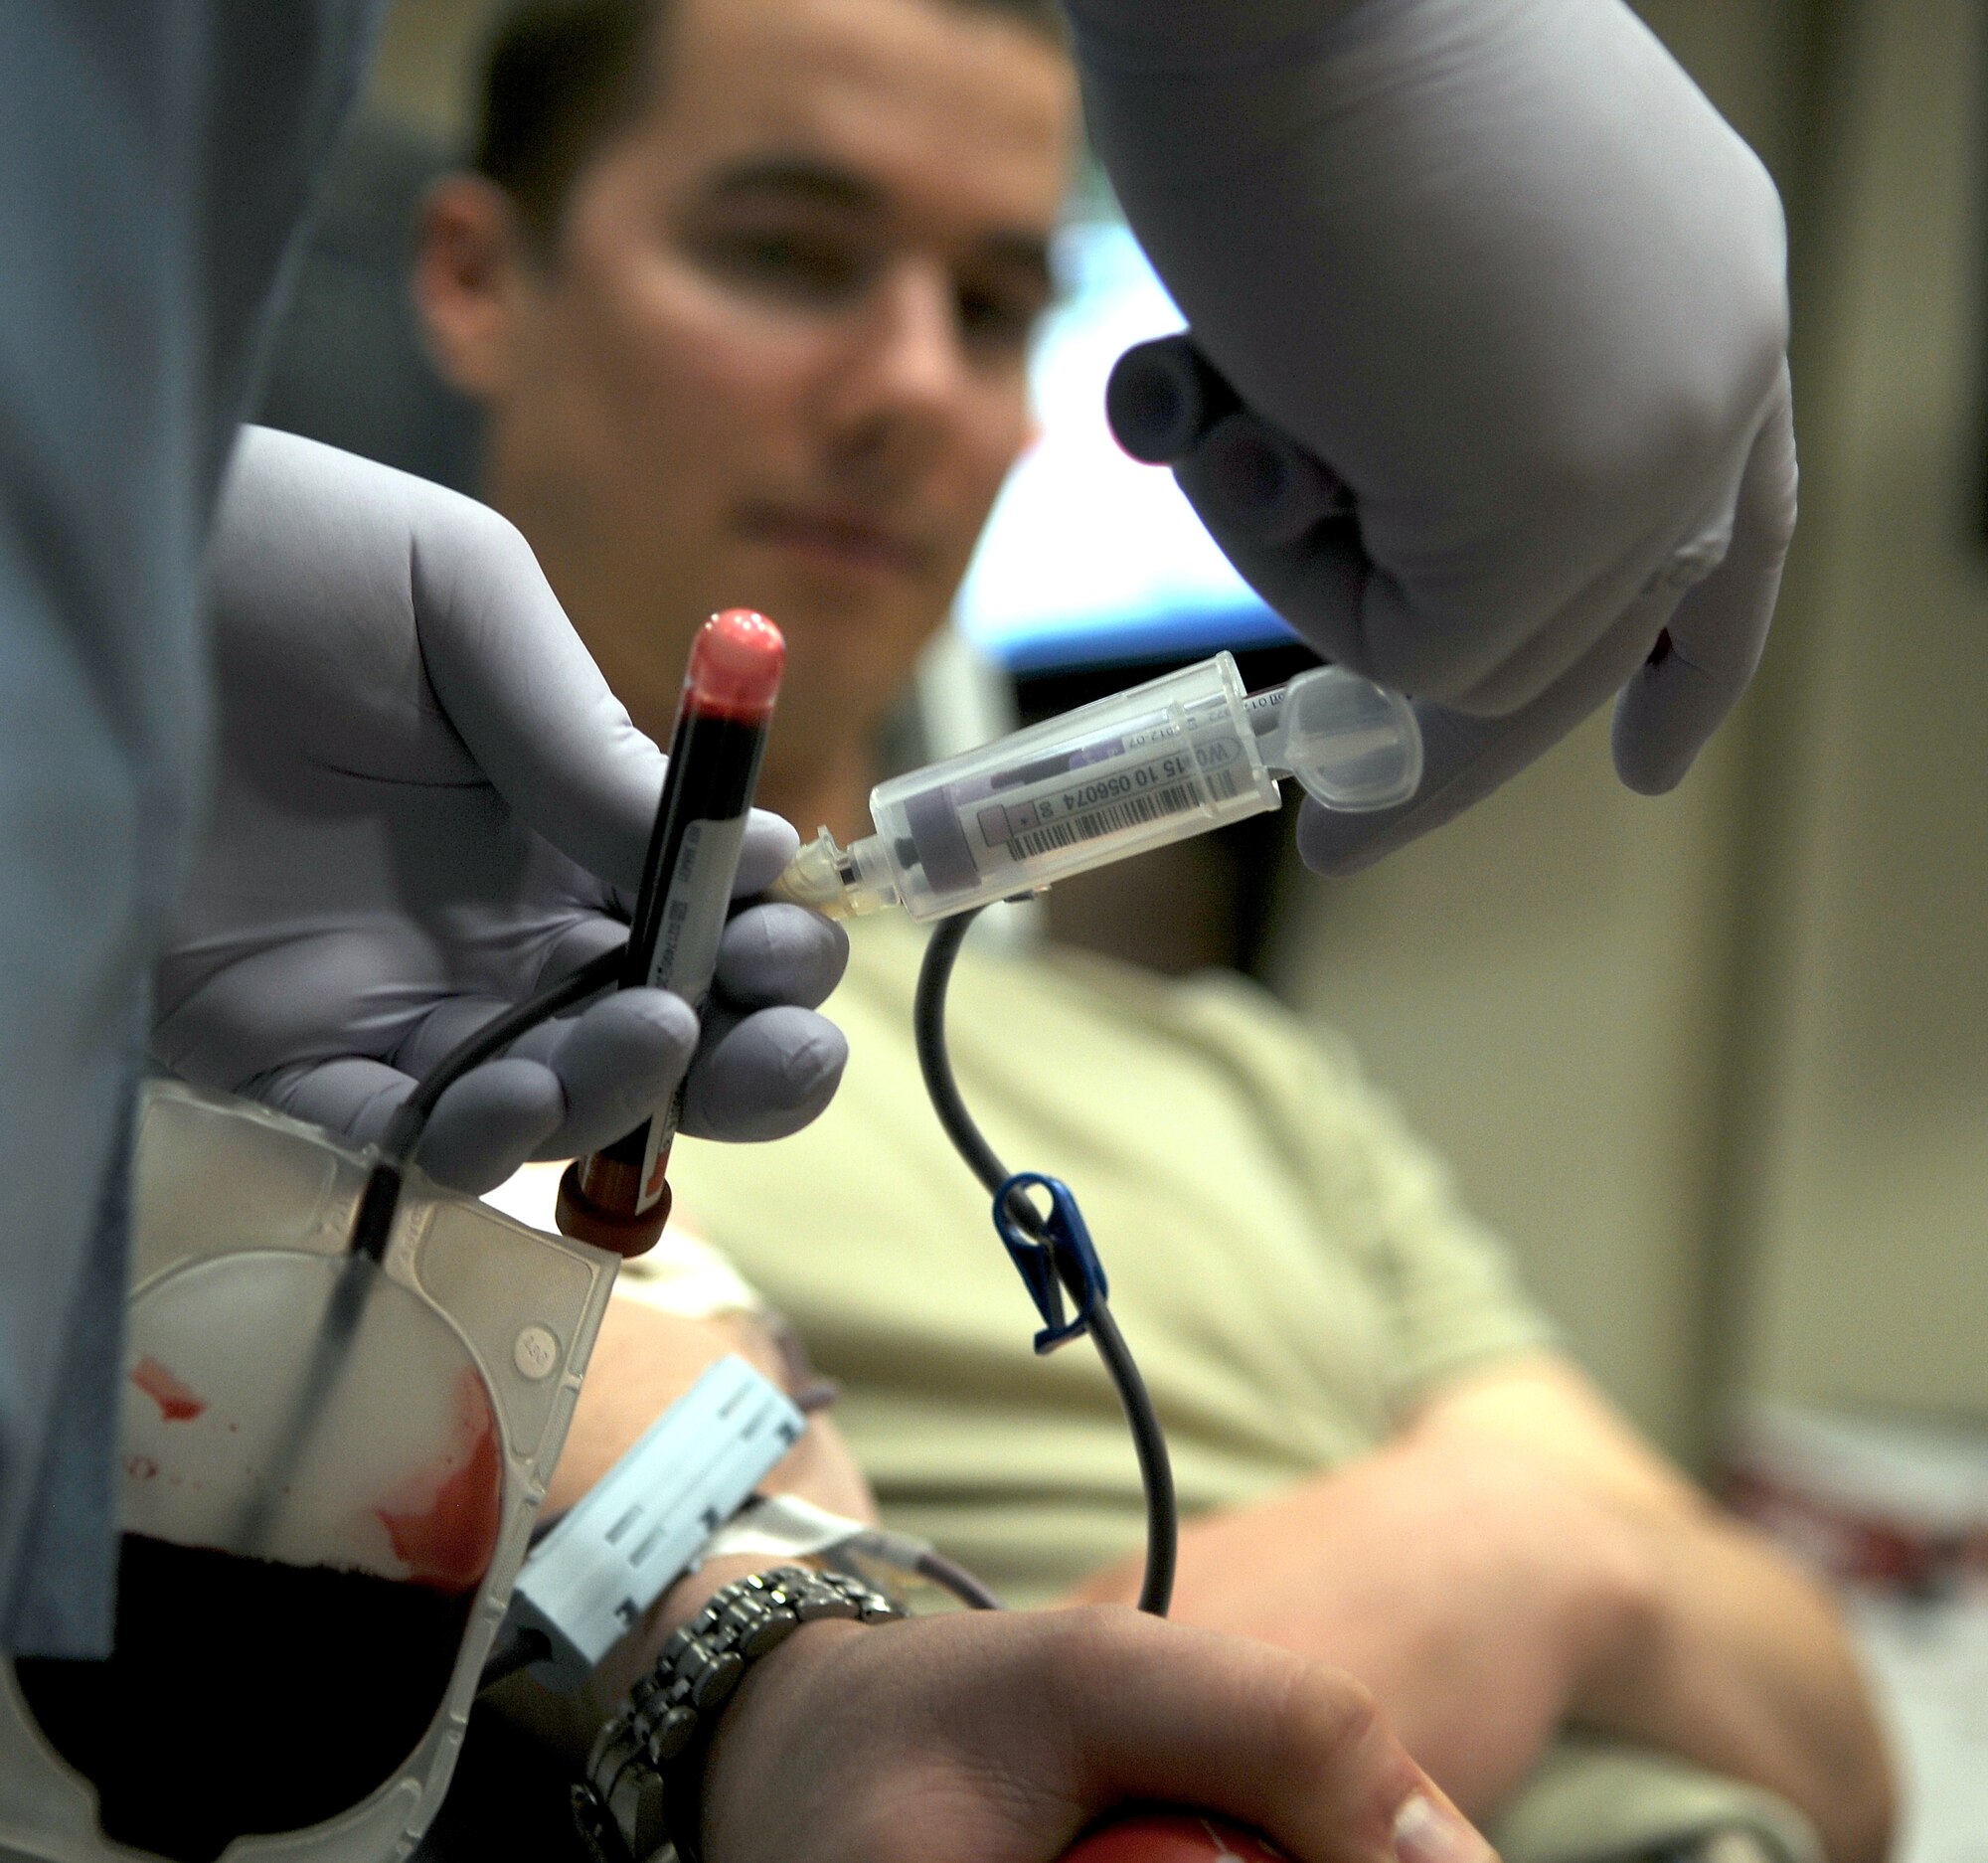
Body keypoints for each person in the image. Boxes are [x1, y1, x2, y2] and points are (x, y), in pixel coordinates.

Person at [403, 0, 1880, 1858]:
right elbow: (906, 1773)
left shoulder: (1240, 1081)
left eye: (999, 306)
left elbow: (1827, 1726)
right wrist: (1500, 1539)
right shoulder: (378, 1053)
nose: (911, 387)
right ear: (475, 274)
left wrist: (1538, 1546)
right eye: (787, 255)